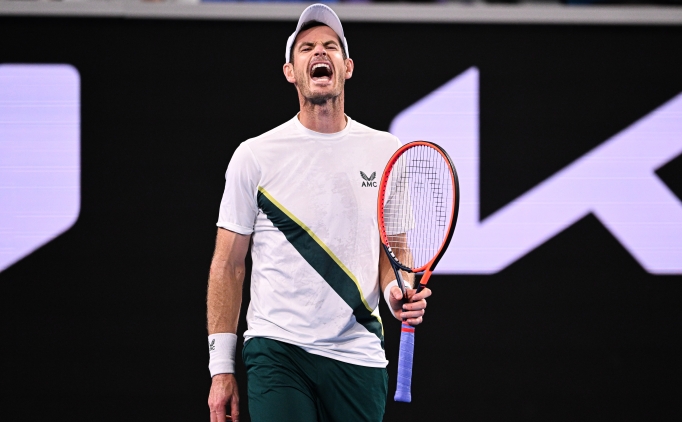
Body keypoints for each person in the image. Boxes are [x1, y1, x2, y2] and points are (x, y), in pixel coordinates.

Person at [206, 4, 431, 422]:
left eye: (330, 45)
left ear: (347, 67)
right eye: (306, 47)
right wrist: (221, 368)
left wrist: (395, 292)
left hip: (358, 355)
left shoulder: (385, 150)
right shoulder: (254, 156)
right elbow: (228, 264)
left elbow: (394, 248)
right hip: (278, 348)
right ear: (290, 71)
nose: (319, 52)